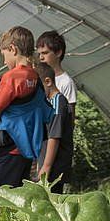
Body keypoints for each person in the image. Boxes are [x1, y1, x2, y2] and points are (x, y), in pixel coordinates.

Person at [0, 27, 52, 190]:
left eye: (4, 55)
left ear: (13, 49)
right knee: (17, 196)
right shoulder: (35, 76)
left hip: (9, 146)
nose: (4, 62)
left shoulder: (11, 78)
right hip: (27, 148)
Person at [36, 62, 74, 193]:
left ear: (47, 82)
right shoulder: (47, 103)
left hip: (54, 167)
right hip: (47, 163)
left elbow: (54, 136)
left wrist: (46, 166)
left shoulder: (58, 102)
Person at [37, 30, 76, 115]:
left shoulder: (66, 82)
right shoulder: (36, 76)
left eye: (45, 53)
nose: (41, 57)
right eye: (39, 54)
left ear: (58, 52)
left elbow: (70, 119)